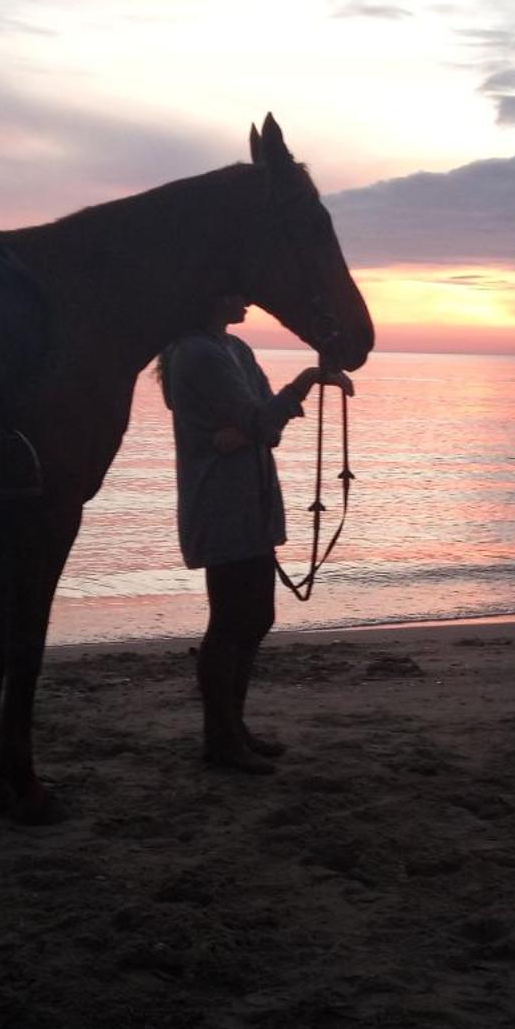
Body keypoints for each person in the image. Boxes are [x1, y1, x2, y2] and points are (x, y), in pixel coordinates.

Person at [159, 294, 354, 772]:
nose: (247, 298)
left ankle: (233, 727)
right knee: (231, 621)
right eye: (235, 289)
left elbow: (265, 421)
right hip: (222, 504)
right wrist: (306, 382)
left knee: (255, 617)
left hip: (251, 499)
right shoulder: (197, 353)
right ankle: (220, 738)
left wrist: (249, 430)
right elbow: (266, 421)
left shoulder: (235, 349)